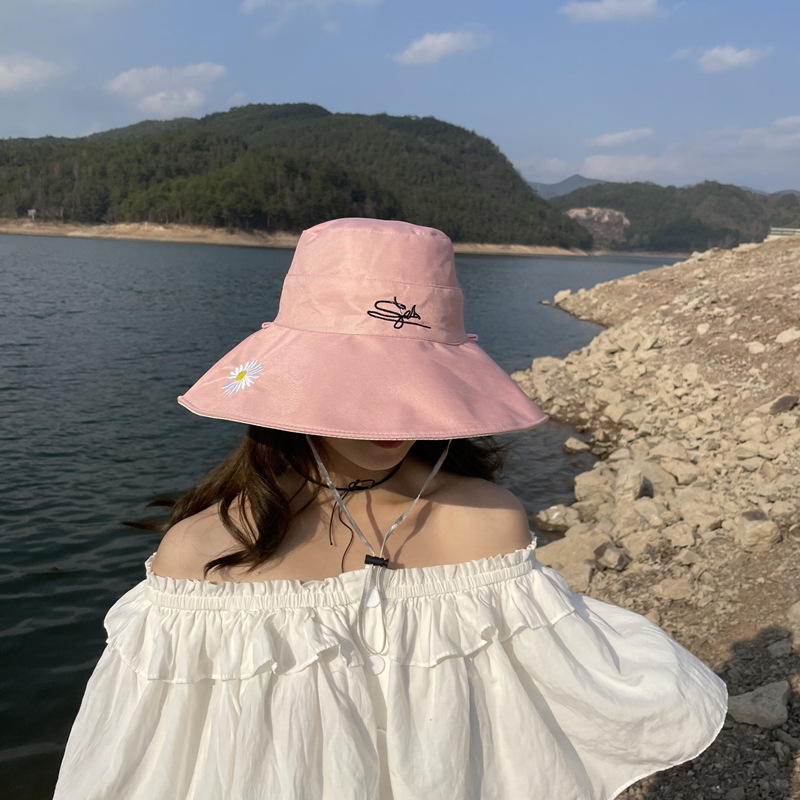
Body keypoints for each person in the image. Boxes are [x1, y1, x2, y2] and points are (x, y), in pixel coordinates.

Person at [53, 218, 727, 800]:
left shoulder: (490, 522)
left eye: (412, 383)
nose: (392, 417)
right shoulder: (202, 553)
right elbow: (156, 760)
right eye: (359, 383)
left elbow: (525, 730)